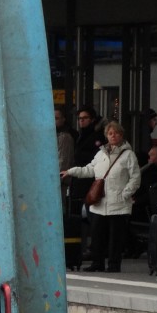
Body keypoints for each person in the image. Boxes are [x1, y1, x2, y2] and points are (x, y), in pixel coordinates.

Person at [61, 120, 141, 273]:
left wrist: (126, 193)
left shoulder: (128, 155)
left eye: (116, 133)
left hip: (118, 203)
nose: (113, 136)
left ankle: (113, 264)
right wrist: (70, 172)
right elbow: (89, 169)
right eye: (110, 133)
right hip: (100, 201)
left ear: (121, 135)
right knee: (97, 234)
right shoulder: (101, 153)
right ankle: (97, 263)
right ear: (106, 136)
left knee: (115, 237)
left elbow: (135, 177)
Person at [66, 106, 106, 213]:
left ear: (92, 119)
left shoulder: (97, 136)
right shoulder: (81, 135)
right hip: (79, 178)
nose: (81, 120)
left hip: (89, 180)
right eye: (79, 118)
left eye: (85, 118)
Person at [55, 108, 76, 175]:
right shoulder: (53, 134)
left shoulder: (64, 136)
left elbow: (63, 161)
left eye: (56, 118)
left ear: (63, 119)